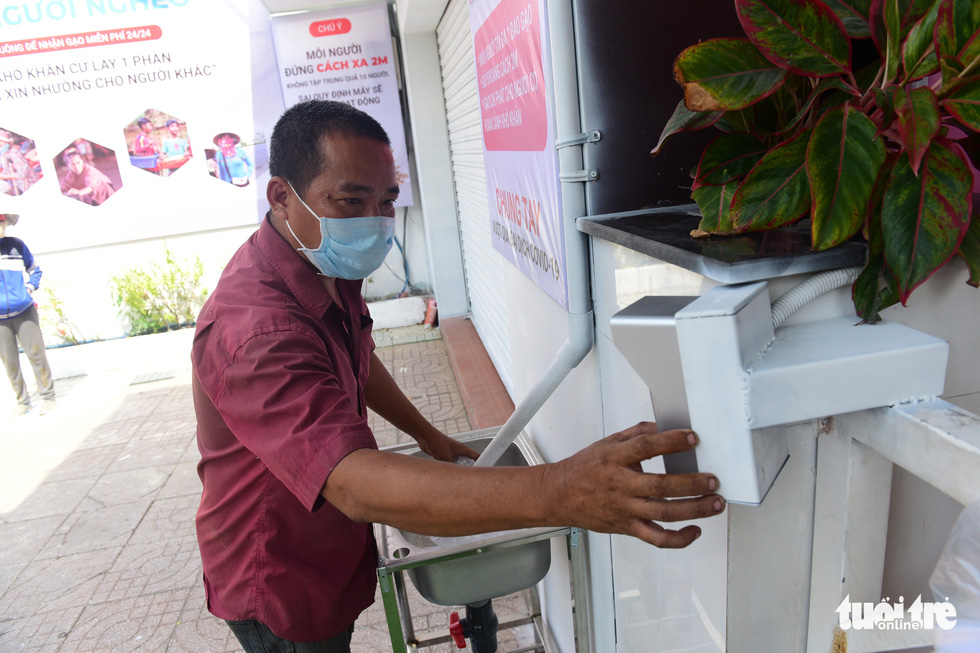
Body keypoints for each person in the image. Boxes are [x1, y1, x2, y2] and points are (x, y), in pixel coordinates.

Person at [191, 100, 726, 652]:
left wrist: (428, 435)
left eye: (386, 201)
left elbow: (354, 357)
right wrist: (560, 491)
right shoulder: (255, 331)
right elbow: (350, 481)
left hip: (325, 541)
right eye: (351, 200)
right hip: (277, 569)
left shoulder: (320, 261)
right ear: (282, 195)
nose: (374, 221)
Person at [0, 213, 55, 416]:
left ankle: (48, 397)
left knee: (36, 353)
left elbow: (35, 270)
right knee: (9, 360)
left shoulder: (16, 245)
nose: (1, 224)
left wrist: (30, 289)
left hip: (24, 311)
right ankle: (23, 401)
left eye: (2, 220)